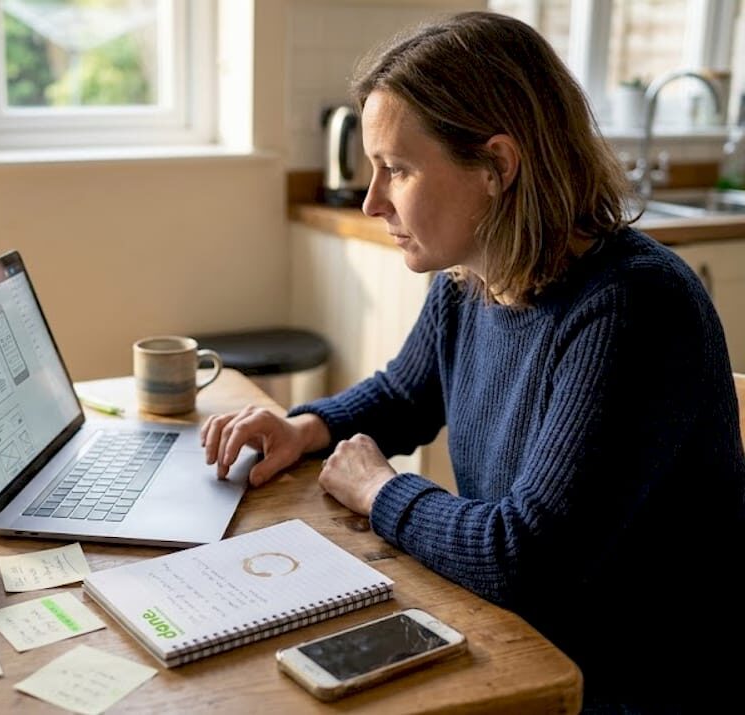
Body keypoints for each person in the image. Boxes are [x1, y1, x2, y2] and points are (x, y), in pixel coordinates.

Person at [201, 11, 745, 714]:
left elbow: (524, 560)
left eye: (396, 169)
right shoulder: (474, 278)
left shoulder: (634, 307)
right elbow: (404, 395)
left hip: (632, 686)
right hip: (530, 641)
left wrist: (379, 490)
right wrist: (306, 427)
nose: (372, 201)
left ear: (497, 165)